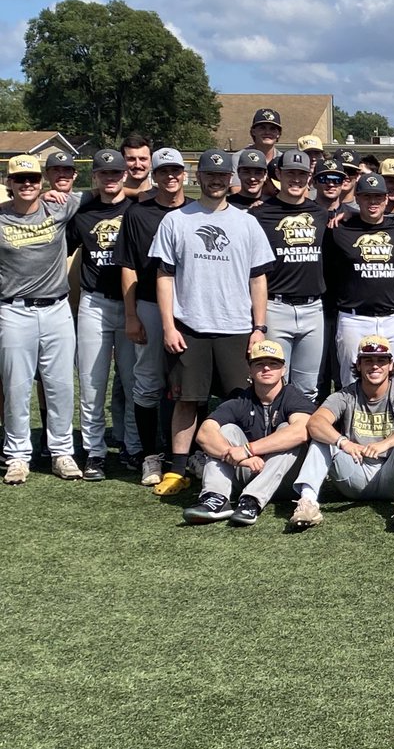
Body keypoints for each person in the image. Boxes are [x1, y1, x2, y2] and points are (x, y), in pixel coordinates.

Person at [148, 149, 275, 496]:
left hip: (235, 328)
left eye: (222, 176)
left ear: (230, 179)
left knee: (240, 402)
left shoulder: (246, 222)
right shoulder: (176, 220)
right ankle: (177, 469)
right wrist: (169, 325)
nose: (217, 180)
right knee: (186, 400)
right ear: (198, 177)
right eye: (210, 175)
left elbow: (258, 279)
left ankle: (243, 463)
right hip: (190, 326)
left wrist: (258, 328)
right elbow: (164, 277)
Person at [291, 334, 394, 529]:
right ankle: (308, 502)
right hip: (353, 472)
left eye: (381, 360)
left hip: (392, 476)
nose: (375, 366)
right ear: (358, 365)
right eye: (368, 360)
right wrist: (343, 442)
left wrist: (386, 443)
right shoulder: (345, 395)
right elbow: (315, 423)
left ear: (391, 365)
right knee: (322, 439)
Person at [0, 155, 81, 483]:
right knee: (16, 386)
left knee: (60, 385)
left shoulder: (58, 207)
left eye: (33, 178)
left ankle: (62, 452)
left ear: (42, 181)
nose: (28, 184)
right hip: (13, 309)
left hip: (57, 308)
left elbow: (114, 189)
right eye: (20, 180)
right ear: (9, 184)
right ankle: (17, 455)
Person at [113, 148, 189, 486]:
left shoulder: (197, 210)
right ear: (153, 176)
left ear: (185, 174)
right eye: (163, 171)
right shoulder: (138, 213)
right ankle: (149, 455)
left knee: (188, 384)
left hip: (191, 306)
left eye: (176, 170)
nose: (170, 176)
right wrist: (131, 315)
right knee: (147, 383)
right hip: (148, 304)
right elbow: (128, 266)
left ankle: (183, 455)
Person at [182, 339, 315, 526]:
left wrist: (247, 450)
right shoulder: (241, 400)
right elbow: (205, 433)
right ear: (250, 370)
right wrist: (243, 459)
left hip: (287, 479)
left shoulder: (293, 397)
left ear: (283, 370)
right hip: (248, 470)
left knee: (287, 431)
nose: (267, 369)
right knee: (227, 430)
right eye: (259, 364)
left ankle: (251, 500)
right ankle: (216, 498)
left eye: (273, 364)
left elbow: (300, 432)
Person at [69, 149, 138, 481]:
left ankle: (132, 446)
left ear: (124, 175)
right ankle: (94, 452)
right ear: (94, 176)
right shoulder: (82, 212)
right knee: (93, 383)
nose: (110, 179)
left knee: (131, 380)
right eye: (103, 174)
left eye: (115, 173)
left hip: (130, 302)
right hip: (94, 303)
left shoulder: (137, 209)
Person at [323, 172, 394, 389]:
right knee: (352, 384)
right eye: (366, 197)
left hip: (392, 318)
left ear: (386, 199)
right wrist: (347, 215)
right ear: (357, 199)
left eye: (378, 197)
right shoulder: (340, 230)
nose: (373, 202)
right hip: (354, 318)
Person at [251, 149, 330, 400]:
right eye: (290, 173)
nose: (296, 179)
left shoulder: (320, 213)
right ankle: (275, 436)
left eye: (301, 174)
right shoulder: (260, 214)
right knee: (274, 384)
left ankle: (301, 439)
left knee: (308, 387)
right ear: (278, 174)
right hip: (276, 307)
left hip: (313, 308)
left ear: (310, 176)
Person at [120, 134, 154, 199]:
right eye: (131, 159)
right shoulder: (111, 197)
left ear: (151, 160)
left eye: (143, 159)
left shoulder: (162, 198)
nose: (137, 165)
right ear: (122, 160)